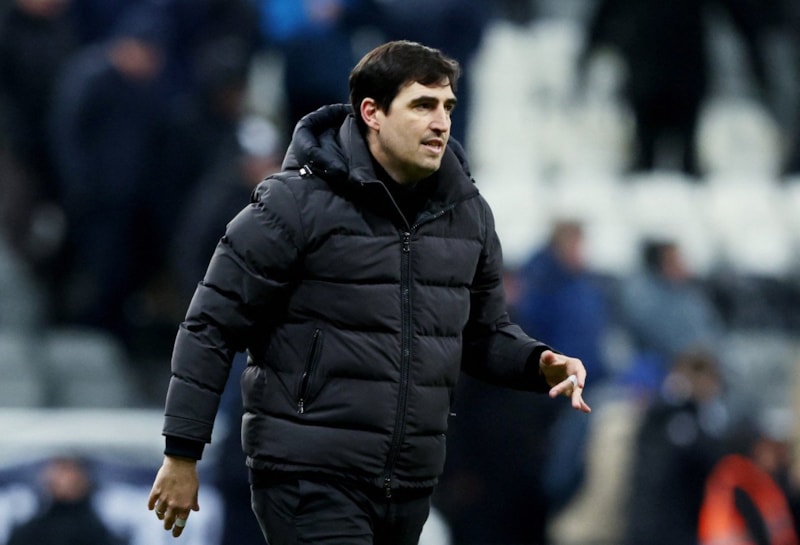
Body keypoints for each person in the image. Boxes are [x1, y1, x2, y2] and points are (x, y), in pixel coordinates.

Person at [147, 40, 591, 544]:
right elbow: (210, 325)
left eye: (447, 107)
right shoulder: (293, 205)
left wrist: (535, 363)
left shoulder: (468, 216)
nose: (441, 122)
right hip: (309, 475)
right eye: (422, 105)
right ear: (372, 113)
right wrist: (182, 452)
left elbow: (483, 334)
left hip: (408, 485)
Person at [6, 456, 125, 545]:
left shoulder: (99, 533)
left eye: (65, 468)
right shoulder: (29, 531)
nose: (54, 474)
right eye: (54, 466)